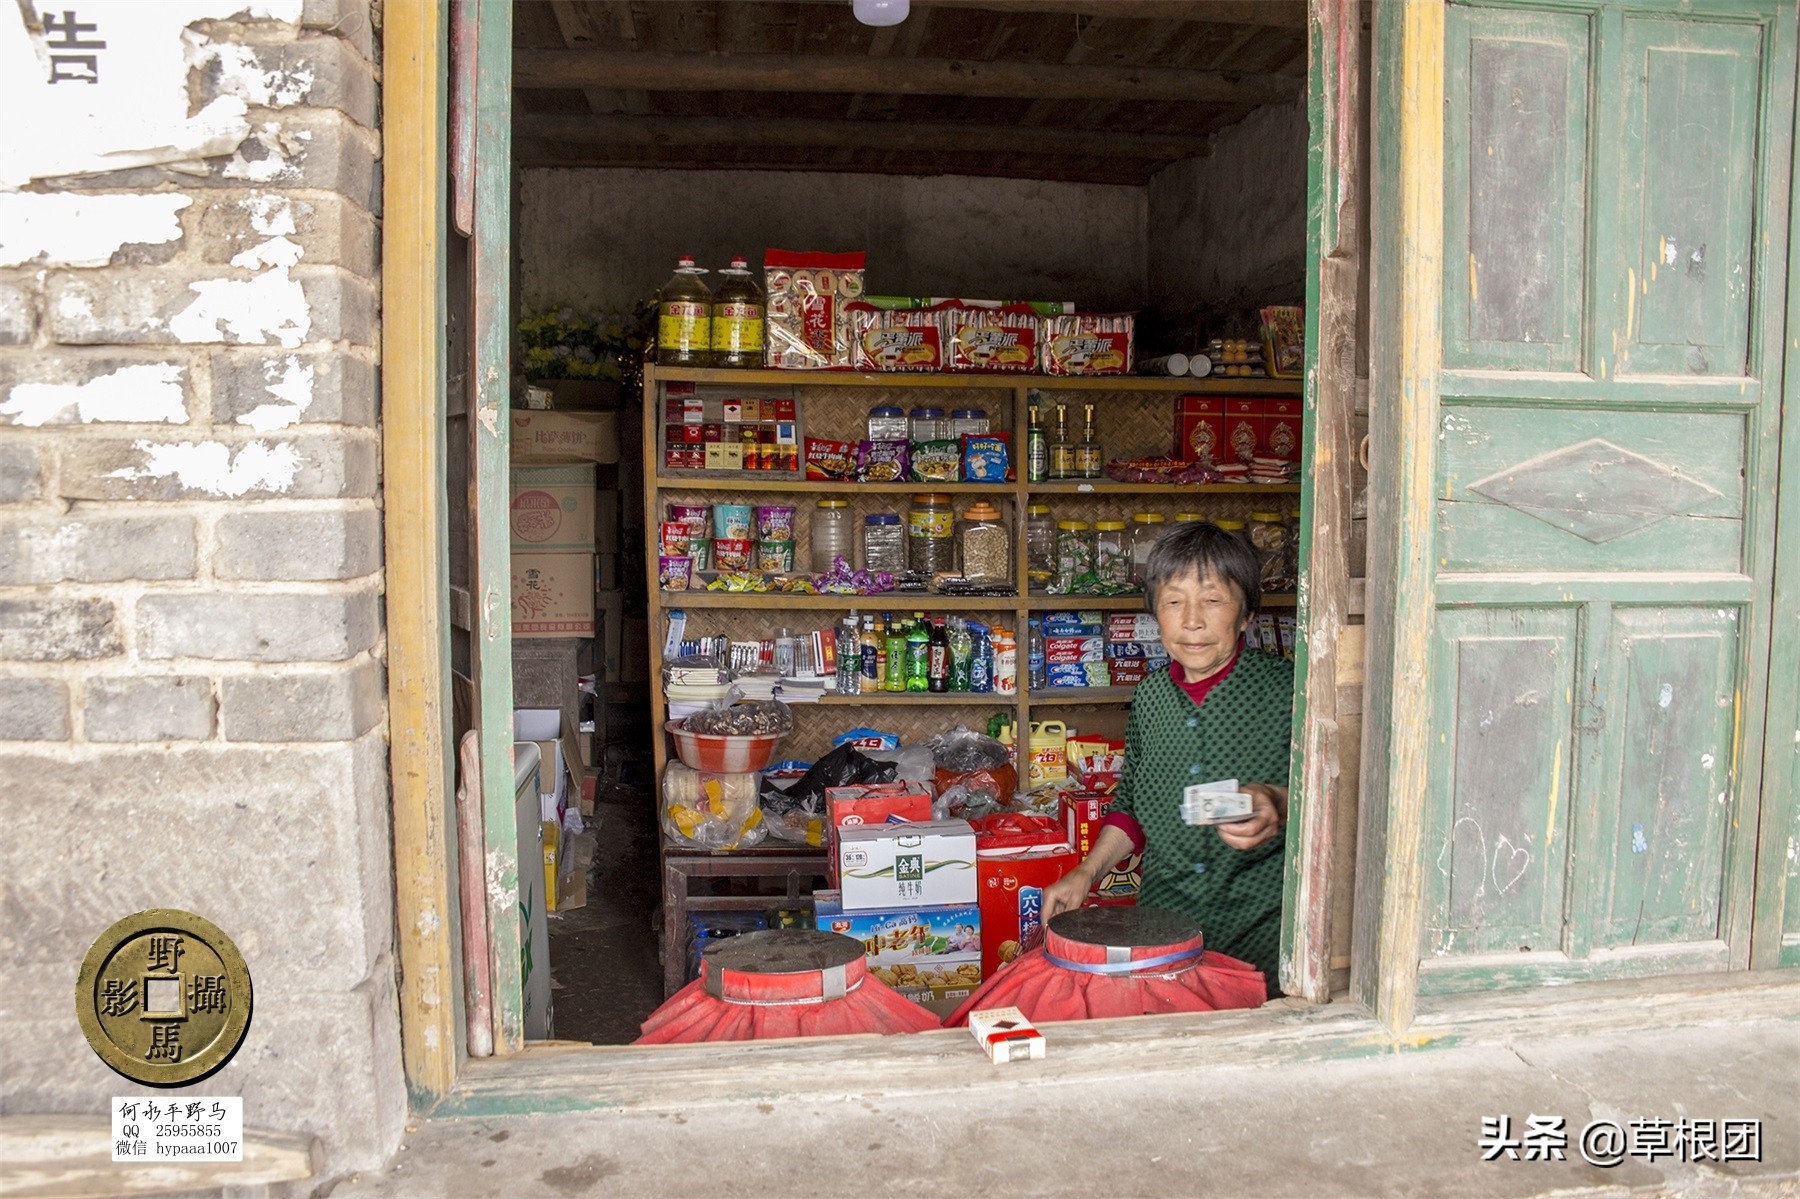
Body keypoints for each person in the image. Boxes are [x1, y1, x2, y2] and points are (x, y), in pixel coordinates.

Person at [1042, 520, 1293, 997]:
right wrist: (1086, 873)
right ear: (1156, 614)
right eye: (1174, 601)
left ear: (1246, 615)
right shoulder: (1151, 697)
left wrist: (1278, 802)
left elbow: (1340, 798)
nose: (1192, 620)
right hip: (1166, 931)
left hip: (1264, 933)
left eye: (1213, 600)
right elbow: (1132, 807)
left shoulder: (1290, 692)